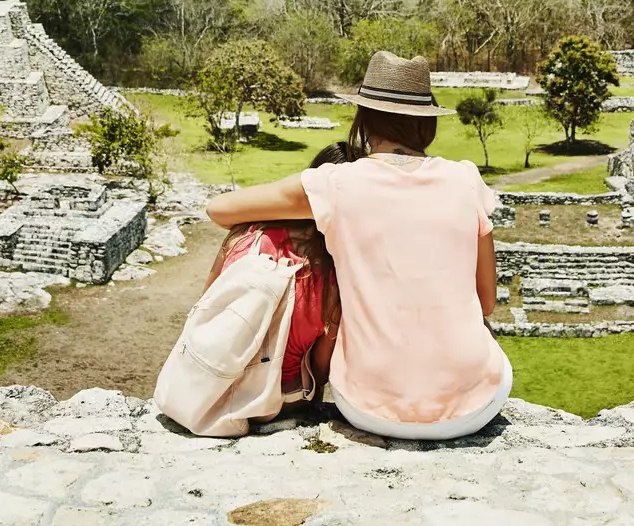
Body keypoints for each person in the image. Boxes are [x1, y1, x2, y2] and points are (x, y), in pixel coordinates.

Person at [203, 52, 509, 441]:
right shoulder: (465, 179)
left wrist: (317, 216)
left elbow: (220, 210)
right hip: (474, 408)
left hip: (366, 407)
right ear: (426, 123)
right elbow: (485, 302)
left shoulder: (337, 184)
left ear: (363, 119)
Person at [201, 143, 347, 401]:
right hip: (280, 401)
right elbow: (321, 372)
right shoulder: (336, 276)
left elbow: (206, 304)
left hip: (214, 388)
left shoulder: (245, 235)